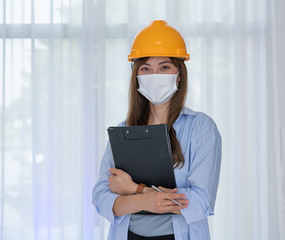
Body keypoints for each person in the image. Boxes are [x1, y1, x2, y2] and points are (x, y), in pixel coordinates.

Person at [92, 20, 222, 240]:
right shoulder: (124, 131)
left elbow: (200, 203)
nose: (155, 75)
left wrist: (136, 190)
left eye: (164, 67)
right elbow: (101, 197)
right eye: (145, 68)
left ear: (179, 73)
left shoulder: (201, 128)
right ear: (137, 76)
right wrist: (145, 198)